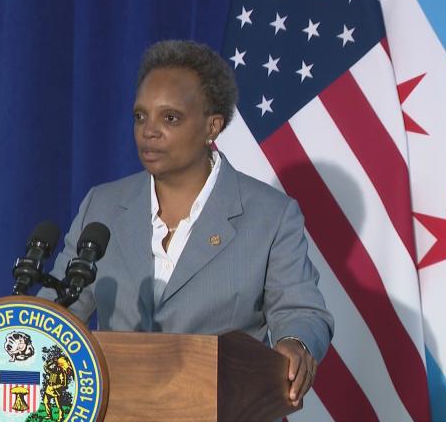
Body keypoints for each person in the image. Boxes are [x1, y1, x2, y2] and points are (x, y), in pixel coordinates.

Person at [39, 40, 334, 406]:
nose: (149, 131)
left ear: (213, 126)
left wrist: (296, 343)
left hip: (224, 407)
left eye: (170, 118)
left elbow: (301, 310)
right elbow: (60, 308)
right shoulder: (102, 204)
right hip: (120, 407)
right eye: (140, 116)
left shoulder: (270, 215)